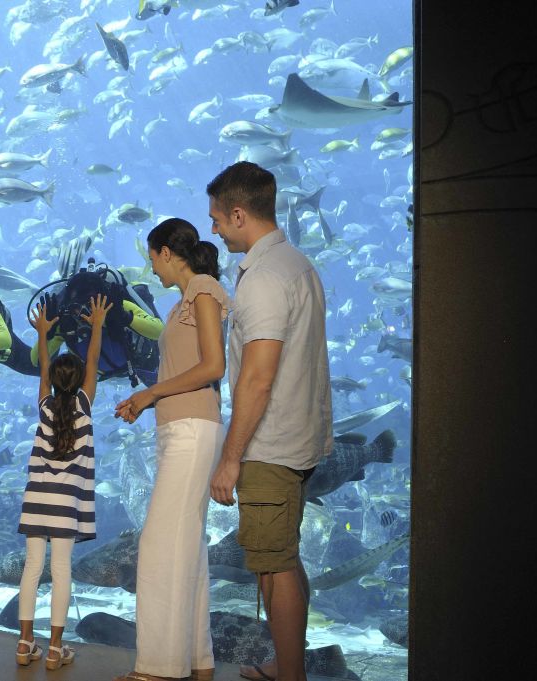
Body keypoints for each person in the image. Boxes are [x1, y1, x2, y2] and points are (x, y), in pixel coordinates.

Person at [207, 161, 332, 681]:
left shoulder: (262, 280)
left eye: (217, 218)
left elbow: (257, 379)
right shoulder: (298, 264)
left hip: (270, 447)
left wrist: (230, 458)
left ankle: (291, 676)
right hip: (299, 441)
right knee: (285, 558)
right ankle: (288, 664)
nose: (214, 228)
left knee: (272, 566)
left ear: (239, 214)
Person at [114, 218, 231, 681]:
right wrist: (148, 399)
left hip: (192, 429)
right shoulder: (181, 302)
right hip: (181, 428)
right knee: (188, 551)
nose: (151, 268)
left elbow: (214, 365)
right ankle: (198, 662)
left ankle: (159, 669)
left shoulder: (203, 289)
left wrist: (151, 393)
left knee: (159, 546)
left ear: (166, 252)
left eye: (152, 257)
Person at [14, 294, 110, 671]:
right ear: (81, 382)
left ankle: (25, 643)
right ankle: (55, 648)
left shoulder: (45, 409)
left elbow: (43, 371)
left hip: (37, 502)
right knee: (61, 571)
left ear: (53, 382)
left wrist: (42, 334)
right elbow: (94, 361)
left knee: (31, 569)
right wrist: (97, 325)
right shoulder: (84, 407)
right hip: (66, 506)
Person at [32, 263, 164, 387]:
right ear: (70, 308)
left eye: (91, 305)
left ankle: (137, 287)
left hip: (140, 363)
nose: (86, 313)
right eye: (78, 308)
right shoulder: (67, 323)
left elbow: (160, 332)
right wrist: (47, 334)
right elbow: (35, 360)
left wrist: (125, 317)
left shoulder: (116, 307)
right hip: (102, 375)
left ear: (103, 301)